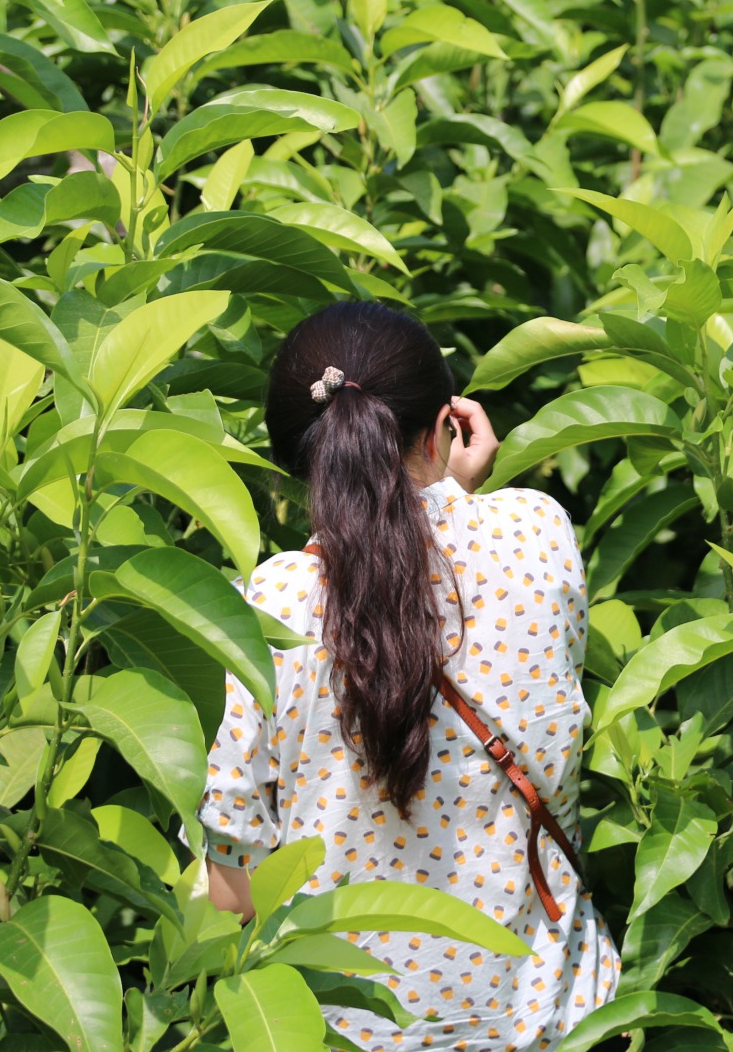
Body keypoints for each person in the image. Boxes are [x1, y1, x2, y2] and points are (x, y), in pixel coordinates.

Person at [200, 301, 621, 1050]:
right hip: (552, 1022)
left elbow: (235, 891)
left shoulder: (272, 605)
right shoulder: (539, 533)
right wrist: (454, 488)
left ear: (302, 459)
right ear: (447, 424)